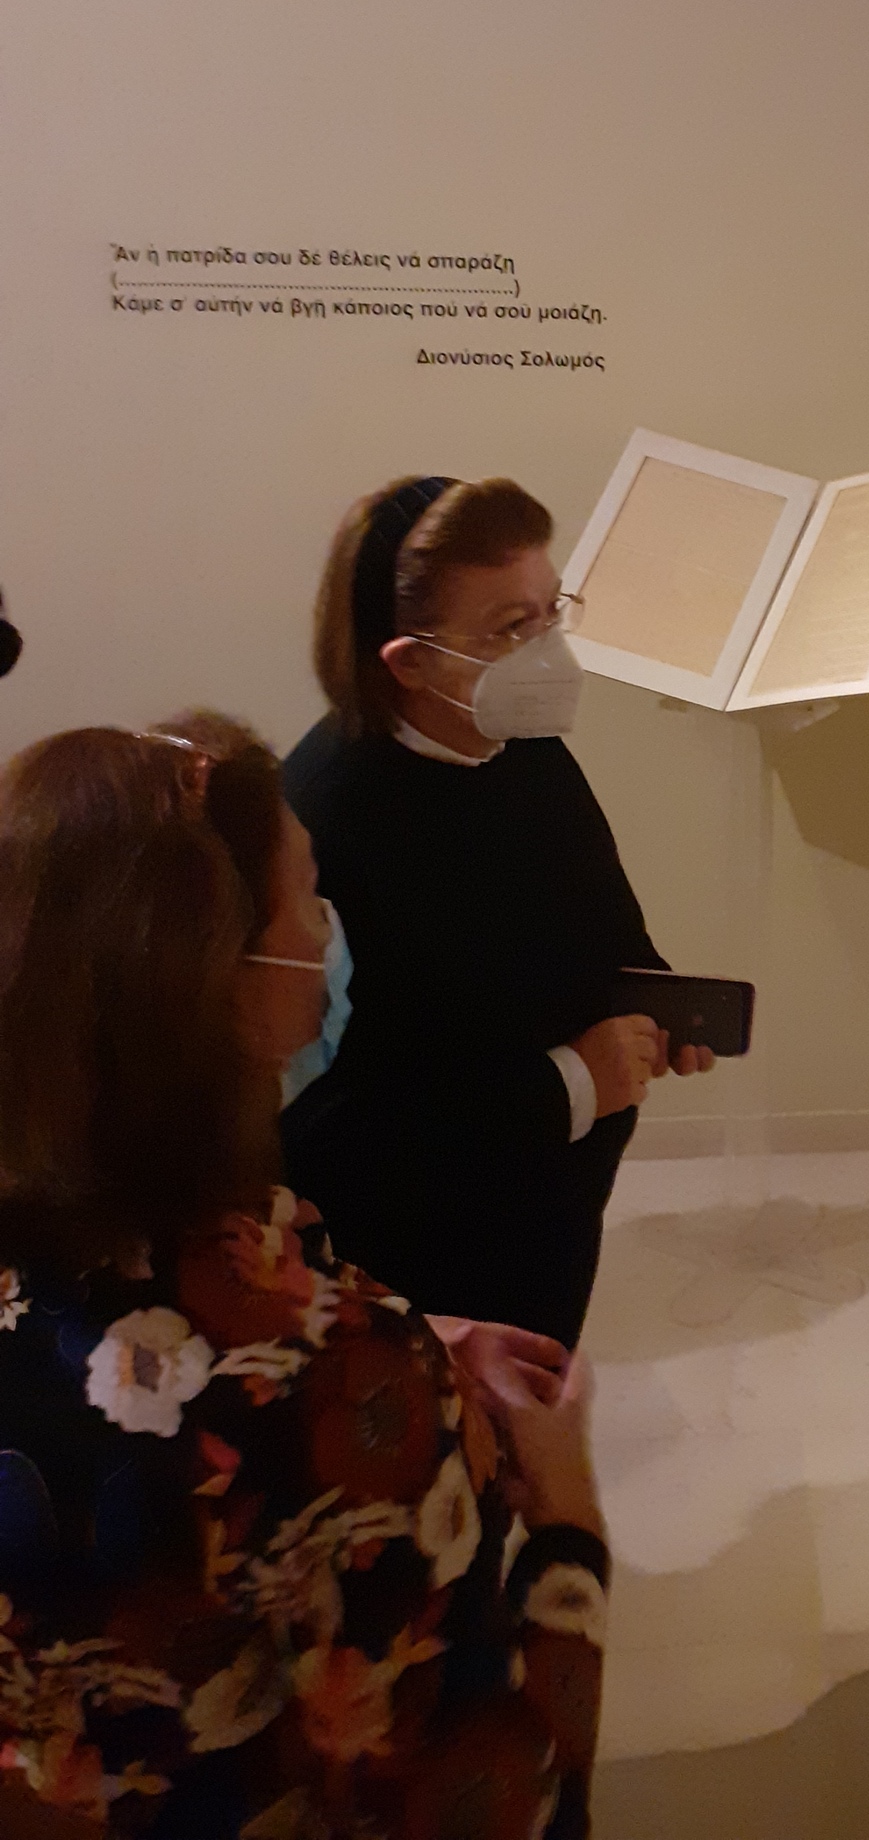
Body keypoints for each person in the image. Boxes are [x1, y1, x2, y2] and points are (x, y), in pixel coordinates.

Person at [0, 715, 609, 1837]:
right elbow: (483, 1803)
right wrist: (570, 1528)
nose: (330, 930)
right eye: (310, 899)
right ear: (227, 984)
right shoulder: (351, 1383)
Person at [283, 475, 712, 1352]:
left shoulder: (522, 746)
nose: (547, 650)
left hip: (550, 1208)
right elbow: (330, 1129)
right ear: (408, 662)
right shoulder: (324, 829)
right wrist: (571, 1085)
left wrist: (657, 997)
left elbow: (598, 914)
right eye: (512, 627)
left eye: (552, 611)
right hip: (422, 1263)